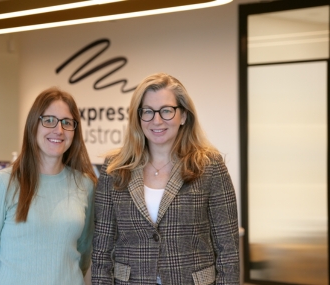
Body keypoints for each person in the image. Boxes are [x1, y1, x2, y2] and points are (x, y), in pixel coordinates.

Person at [92, 73, 240, 285]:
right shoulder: (115, 168)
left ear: (184, 116)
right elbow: (101, 250)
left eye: (167, 111)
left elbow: (228, 251)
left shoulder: (209, 166)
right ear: (138, 117)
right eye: (148, 112)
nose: (157, 120)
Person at [0, 87, 97, 285]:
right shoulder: (3, 183)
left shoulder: (85, 185)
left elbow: (84, 252)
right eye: (49, 120)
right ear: (33, 125)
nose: (59, 130)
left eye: (67, 122)